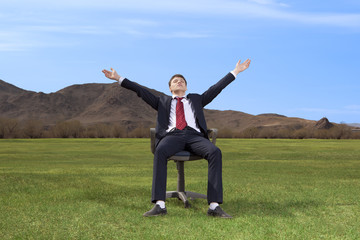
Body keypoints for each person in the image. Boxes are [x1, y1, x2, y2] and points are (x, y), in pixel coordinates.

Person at [102, 59, 251, 218]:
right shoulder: (162, 101)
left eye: (182, 81)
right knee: (160, 151)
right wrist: (119, 78)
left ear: (186, 87)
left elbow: (217, 88)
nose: (179, 82)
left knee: (215, 152)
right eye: (175, 81)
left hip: (195, 136)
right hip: (172, 136)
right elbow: (140, 90)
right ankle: (160, 205)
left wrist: (235, 71)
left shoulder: (196, 99)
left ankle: (214, 207)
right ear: (170, 87)